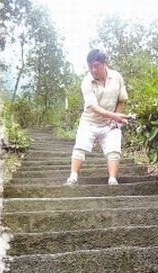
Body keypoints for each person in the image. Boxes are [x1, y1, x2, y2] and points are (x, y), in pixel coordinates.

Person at [65, 49, 131, 186]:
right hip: (89, 121)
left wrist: (115, 120)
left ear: (105, 63)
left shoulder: (116, 77)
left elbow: (121, 100)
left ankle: (113, 180)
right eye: (90, 67)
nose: (93, 70)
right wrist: (115, 116)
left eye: (96, 66)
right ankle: (73, 177)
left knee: (114, 150)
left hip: (110, 124)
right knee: (80, 148)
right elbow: (94, 108)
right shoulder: (87, 81)